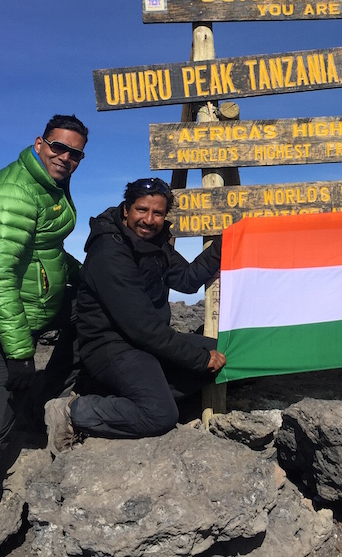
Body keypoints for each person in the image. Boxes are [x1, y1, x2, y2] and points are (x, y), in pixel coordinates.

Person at [0, 114, 88, 557]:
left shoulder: (51, 185)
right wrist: (19, 352)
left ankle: (36, 407)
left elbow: (49, 250)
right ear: (39, 143)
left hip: (37, 306)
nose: (65, 157)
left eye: (75, 152)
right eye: (58, 147)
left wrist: (91, 281)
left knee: (97, 324)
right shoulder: (11, 194)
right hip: (2, 324)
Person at [44, 177, 224, 454]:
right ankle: (71, 410)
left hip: (143, 343)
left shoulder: (155, 244)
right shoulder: (110, 252)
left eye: (158, 213)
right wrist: (199, 360)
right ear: (126, 209)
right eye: (142, 210)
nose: (149, 220)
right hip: (111, 346)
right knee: (160, 414)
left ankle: (127, 394)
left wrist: (224, 246)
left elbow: (187, 280)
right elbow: (143, 328)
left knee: (227, 353)